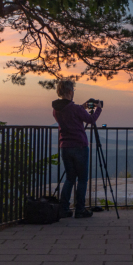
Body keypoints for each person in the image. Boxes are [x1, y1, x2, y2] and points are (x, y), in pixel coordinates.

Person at [52, 80, 102, 219]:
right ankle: (80, 210)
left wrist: (83, 106)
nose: (73, 92)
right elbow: (91, 120)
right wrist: (99, 108)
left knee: (69, 179)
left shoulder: (56, 109)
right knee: (82, 179)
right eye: (73, 90)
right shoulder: (75, 108)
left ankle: (64, 209)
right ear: (69, 92)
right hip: (79, 146)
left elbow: (71, 112)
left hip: (65, 147)